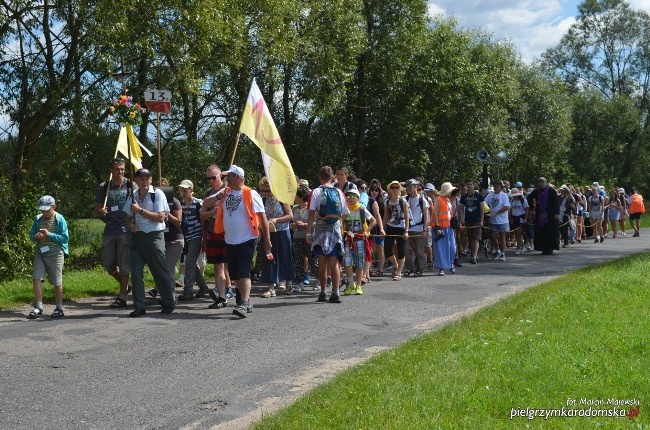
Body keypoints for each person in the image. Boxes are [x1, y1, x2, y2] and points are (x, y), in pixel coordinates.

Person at [209, 165, 271, 318]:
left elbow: (262, 218)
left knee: (243, 272)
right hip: (230, 239)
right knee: (235, 274)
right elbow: (206, 204)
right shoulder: (227, 192)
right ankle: (246, 300)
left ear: (237, 177)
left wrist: (267, 241)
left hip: (247, 238)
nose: (226, 178)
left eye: (229, 176)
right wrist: (218, 196)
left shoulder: (251, 193)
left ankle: (243, 303)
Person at [124, 168, 176, 317]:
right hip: (137, 237)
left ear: (151, 180)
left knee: (159, 270)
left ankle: (168, 301)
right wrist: (130, 225)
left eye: (147, 178)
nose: (145, 181)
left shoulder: (157, 194)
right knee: (136, 273)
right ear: (136, 180)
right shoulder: (132, 196)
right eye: (141, 178)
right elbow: (127, 216)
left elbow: (160, 217)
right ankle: (139, 306)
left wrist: (140, 211)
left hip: (153, 236)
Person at [306, 166, 350, 303]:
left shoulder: (315, 192)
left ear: (319, 177)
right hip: (335, 230)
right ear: (332, 178)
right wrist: (336, 222)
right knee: (334, 262)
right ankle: (335, 293)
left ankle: (323, 292)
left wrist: (308, 232)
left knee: (322, 262)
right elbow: (346, 213)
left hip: (320, 229)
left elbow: (311, 213)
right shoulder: (338, 191)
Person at [95, 158, 132, 308]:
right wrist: (101, 211)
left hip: (125, 229)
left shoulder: (130, 185)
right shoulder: (104, 187)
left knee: (124, 263)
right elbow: (98, 208)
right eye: (117, 169)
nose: (120, 172)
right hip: (110, 228)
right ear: (111, 170)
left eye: (122, 169)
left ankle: (122, 295)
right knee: (108, 263)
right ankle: (126, 285)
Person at [27, 196, 69, 319]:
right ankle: (39, 307)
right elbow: (31, 236)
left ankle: (59, 307)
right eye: (42, 210)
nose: (44, 212)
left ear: (54, 207)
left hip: (56, 253)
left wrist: (49, 234)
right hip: (41, 252)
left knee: (56, 281)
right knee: (36, 277)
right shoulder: (38, 219)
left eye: (46, 210)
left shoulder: (59, 219)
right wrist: (36, 236)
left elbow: (65, 238)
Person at [199, 165, 231, 309]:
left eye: (214, 177)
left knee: (231, 266)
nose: (211, 181)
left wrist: (225, 174)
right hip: (214, 232)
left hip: (230, 233)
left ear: (221, 176)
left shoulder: (230, 187)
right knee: (218, 266)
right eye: (208, 178)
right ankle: (221, 297)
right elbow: (202, 215)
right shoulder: (208, 193)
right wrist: (212, 211)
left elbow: (241, 176)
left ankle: (239, 295)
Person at [147, 178, 184, 301]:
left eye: (163, 186)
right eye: (158, 186)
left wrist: (166, 213)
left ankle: (171, 295)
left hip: (175, 240)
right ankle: (161, 291)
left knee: (168, 266)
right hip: (161, 239)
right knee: (160, 267)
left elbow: (178, 222)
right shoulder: (153, 202)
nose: (160, 189)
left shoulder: (175, 202)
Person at [258, 177, 294, 297]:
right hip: (268, 233)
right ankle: (271, 287)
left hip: (282, 232)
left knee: (285, 257)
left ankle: (288, 284)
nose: (266, 193)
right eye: (263, 191)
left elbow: (290, 215)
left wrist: (277, 220)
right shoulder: (262, 200)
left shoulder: (282, 199)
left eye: (268, 191)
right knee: (269, 258)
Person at [178, 179, 210, 299]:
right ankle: (203, 287)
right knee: (191, 263)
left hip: (197, 235)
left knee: (190, 262)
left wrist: (204, 239)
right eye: (181, 189)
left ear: (191, 190)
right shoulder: (180, 205)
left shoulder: (198, 203)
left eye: (185, 189)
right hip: (186, 238)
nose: (183, 191)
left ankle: (188, 291)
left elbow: (204, 222)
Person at [342, 189, 376, 295]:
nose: (351, 199)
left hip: (360, 238)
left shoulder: (362, 209)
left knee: (359, 263)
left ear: (357, 198)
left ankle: (359, 286)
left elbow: (373, 220)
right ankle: (351, 284)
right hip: (348, 239)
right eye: (348, 197)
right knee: (347, 262)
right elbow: (339, 221)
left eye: (353, 196)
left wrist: (367, 231)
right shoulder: (345, 209)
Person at [291, 186, 317, 292]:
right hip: (297, 238)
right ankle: (300, 282)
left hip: (309, 238)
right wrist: (293, 225)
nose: (294, 197)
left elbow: (317, 223)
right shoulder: (294, 208)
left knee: (313, 261)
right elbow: (291, 222)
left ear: (301, 197)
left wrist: (305, 224)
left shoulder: (311, 208)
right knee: (298, 261)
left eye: (296, 195)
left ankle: (318, 280)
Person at [382, 180, 409, 281]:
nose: (394, 189)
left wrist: (406, 230)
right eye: (393, 187)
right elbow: (385, 216)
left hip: (400, 227)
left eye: (397, 187)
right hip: (390, 227)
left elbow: (406, 217)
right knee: (388, 249)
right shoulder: (387, 201)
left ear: (400, 190)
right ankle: (397, 266)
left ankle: (399, 272)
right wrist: (382, 229)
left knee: (401, 250)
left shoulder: (403, 201)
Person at [527, 177, 560, 255]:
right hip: (540, 214)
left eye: (543, 182)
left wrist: (556, 213)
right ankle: (543, 248)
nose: (541, 184)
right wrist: (532, 207)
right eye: (540, 182)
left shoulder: (551, 191)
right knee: (542, 231)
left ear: (546, 183)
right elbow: (529, 198)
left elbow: (556, 202)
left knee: (550, 231)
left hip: (550, 214)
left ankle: (550, 248)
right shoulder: (536, 191)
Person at [404, 179, 429, 276]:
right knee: (406, 250)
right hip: (407, 228)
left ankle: (419, 269)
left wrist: (425, 229)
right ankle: (409, 268)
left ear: (416, 187)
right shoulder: (405, 199)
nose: (409, 189)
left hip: (418, 228)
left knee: (419, 251)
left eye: (411, 187)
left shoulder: (422, 200)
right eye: (408, 187)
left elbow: (426, 216)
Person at [432, 182, 457, 275]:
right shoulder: (438, 199)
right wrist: (437, 226)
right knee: (440, 248)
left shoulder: (447, 199)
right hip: (440, 227)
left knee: (452, 247)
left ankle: (450, 263)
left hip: (448, 226)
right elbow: (434, 213)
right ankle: (441, 267)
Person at [459, 180, 484, 264]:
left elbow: (482, 208)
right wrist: (462, 219)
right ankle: (473, 254)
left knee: (475, 239)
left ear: (474, 185)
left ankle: (474, 257)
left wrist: (481, 220)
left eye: (471, 184)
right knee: (470, 239)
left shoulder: (479, 196)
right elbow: (461, 208)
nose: (469, 186)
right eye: (468, 184)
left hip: (476, 220)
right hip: (468, 221)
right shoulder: (464, 197)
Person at [485, 180, 510, 260]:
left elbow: (507, 207)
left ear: (501, 187)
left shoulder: (504, 195)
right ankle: (498, 251)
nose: (496, 188)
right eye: (495, 186)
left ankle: (503, 253)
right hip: (493, 220)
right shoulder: (490, 195)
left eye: (497, 186)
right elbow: (484, 204)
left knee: (502, 237)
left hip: (503, 221)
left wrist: (497, 212)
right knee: (493, 236)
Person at [368, 184, 387, 276]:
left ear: (379, 192)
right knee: (369, 249)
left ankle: (380, 269)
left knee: (380, 248)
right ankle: (369, 269)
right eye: (372, 190)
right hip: (369, 227)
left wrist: (382, 228)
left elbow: (382, 217)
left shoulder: (382, 202)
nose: (374, 192)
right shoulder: (367, 201)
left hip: (379, 227)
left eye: (376, 190)